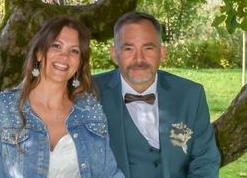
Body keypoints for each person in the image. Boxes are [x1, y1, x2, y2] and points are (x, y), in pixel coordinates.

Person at [0, 16, 124, 178]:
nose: (64, 56)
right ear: (40, 53)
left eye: (74, 51)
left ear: (80, 62)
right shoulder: (1, 109)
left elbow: (108, 173)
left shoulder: (89, 109)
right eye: (57, 46)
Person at [94, 11, 220, 178]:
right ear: (114, 54)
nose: (139, 59)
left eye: (148, 48)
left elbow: (205, 161)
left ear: (162, 53)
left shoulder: (190, 95)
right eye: (129, 48)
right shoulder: (91, 92)